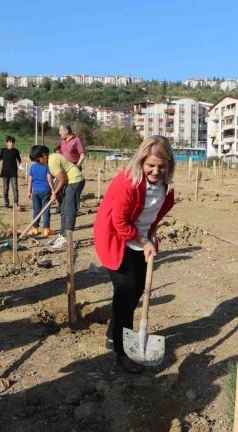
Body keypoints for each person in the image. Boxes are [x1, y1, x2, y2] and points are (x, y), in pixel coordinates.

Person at [94, 136, 175, 374]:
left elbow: (154, 214)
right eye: (151, 165)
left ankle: (113, 335)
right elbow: (119, 222)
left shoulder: (166, 187)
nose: (156, 171)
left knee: (138, 289)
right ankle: (122, 351)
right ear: (141, 161)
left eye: (162, 166)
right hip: (116, 238)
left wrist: (151, 234)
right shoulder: (127, 183)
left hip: (141, 238)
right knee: (126, 290)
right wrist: (142, 239)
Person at [29, 146, 85, 252]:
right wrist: (54, 192)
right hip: (70, 181)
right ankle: (62, 235)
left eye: (38, 160)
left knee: (69, 210)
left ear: (44, 156)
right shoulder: (50, 160)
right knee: (63, 209)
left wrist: (54, 193)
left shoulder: (52, 162)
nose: (38, 162)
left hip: (75, 180)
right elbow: (58, 180)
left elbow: (62, 179)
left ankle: (66, 240)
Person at [27, 149, 55, 236]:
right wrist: (53, 190)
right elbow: (49, 178)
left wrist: (29, 191)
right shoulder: (46, 166)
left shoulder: (33, 167)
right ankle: (46, 229)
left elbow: (30, 180)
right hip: (45, 190)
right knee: (46, 209)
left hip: (36, 191)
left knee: (36, 210)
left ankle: (35, 228)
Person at [0, 135, 21, 208]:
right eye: (10, 142)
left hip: (13, 172)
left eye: (13, 142)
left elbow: (19, 160)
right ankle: (6, 203)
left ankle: (15, 203)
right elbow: (0, 158)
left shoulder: (16, 151)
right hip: (5, 172)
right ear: (6, 143)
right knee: (5, 188)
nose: (11, 144)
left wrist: (21, 166)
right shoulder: (4, 150)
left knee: (15, 188)